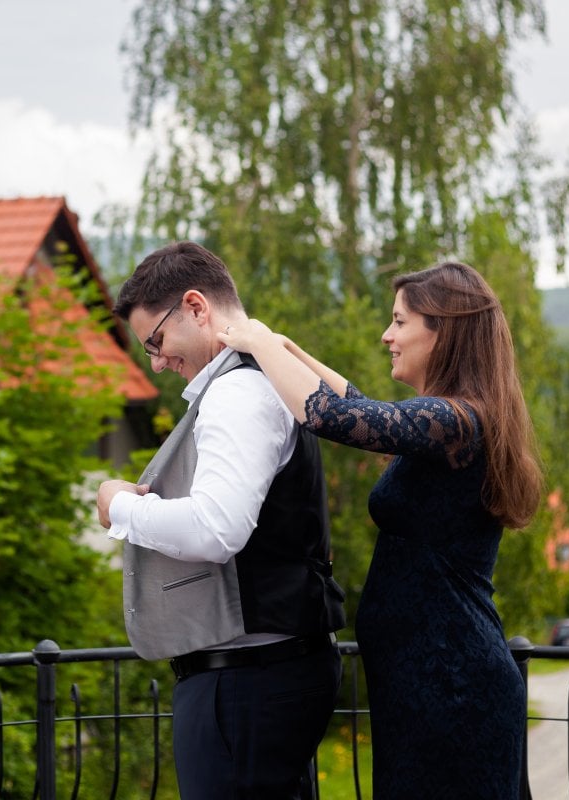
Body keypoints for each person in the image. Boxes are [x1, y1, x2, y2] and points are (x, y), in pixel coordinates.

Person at [218, 261, 542, 798]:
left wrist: (256, 340)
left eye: (399, 322)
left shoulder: (457, 421)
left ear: (445, 331)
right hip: (422, 686)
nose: (386, 336)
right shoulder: (446, 424)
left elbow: (329, 415)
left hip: (452, 687)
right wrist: (283, 347)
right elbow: (357, 405)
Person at [96, 241, 346, 800]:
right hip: (258, 675)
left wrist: (120, 508)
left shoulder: (238, 392)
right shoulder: (256, 381)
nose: (156, 362)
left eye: (157, 341)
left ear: (196, 306)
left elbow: (216, 529)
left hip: (247, 681)